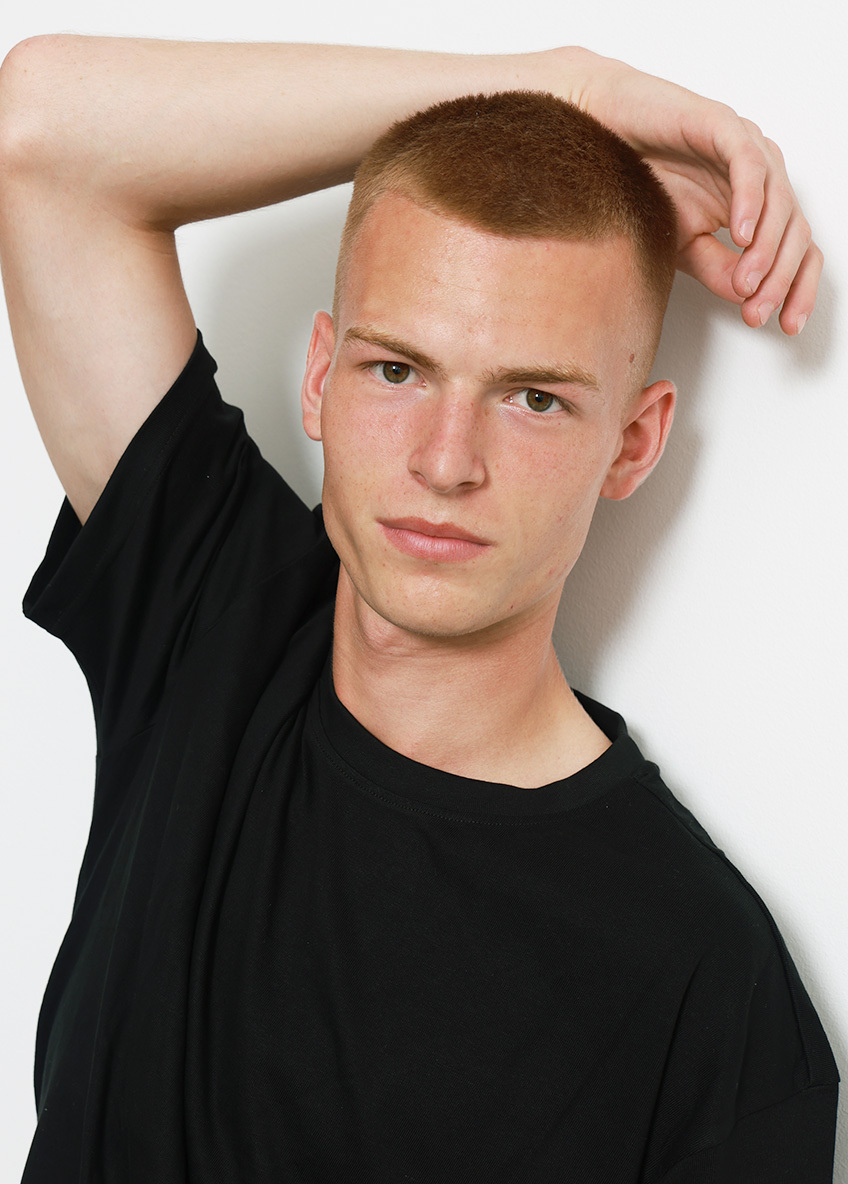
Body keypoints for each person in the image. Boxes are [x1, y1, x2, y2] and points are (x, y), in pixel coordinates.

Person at [0, 34, 837, 1183]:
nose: (446, 461)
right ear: (321, 377)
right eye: (396, 371)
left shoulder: (712, 993)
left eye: (531, 397)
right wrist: (556, 88)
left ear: (631, 442)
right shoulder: (212, 613)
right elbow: (42, 131)